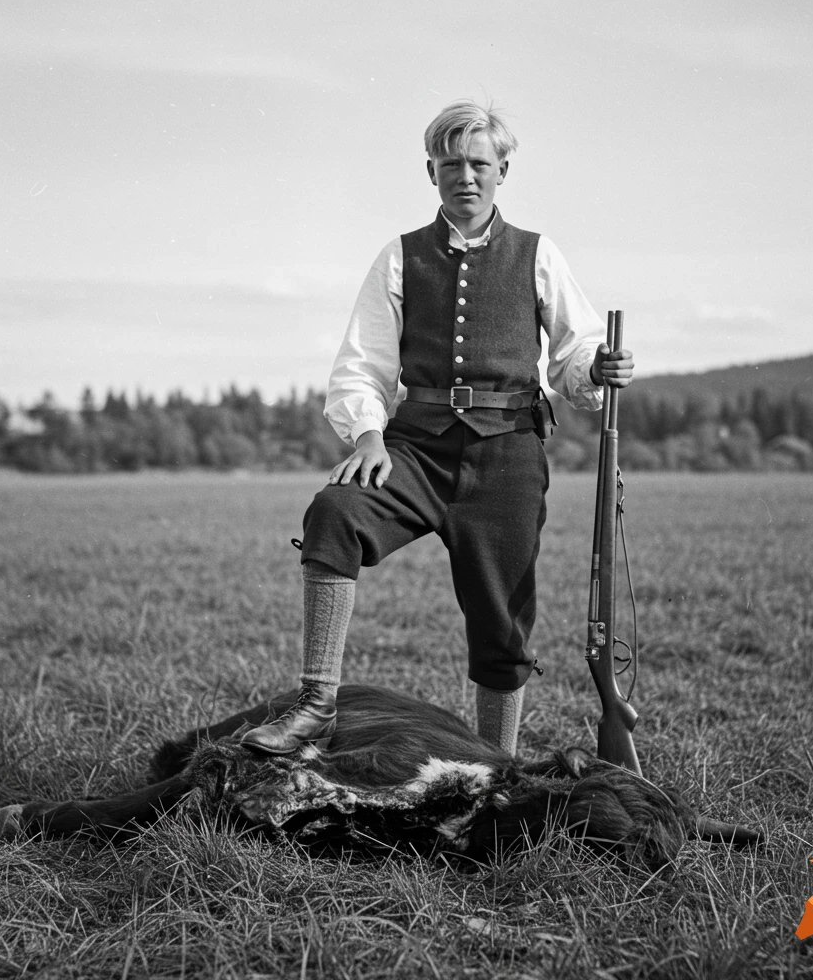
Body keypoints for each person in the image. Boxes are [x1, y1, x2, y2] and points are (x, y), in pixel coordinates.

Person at [242, 100, 633, 757]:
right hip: (413, 451)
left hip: (508, 455)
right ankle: (314, 707)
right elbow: (362, 365)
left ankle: (496, 766)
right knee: (336, 512)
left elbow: (573, 359)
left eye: (480, 163)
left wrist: (599, 364)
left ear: (503, 169)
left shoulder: (538, 256)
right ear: (431, 172)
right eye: (451, 164)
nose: (467, 177)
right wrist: (368, 435)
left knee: (502, 621)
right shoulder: (399, 257)